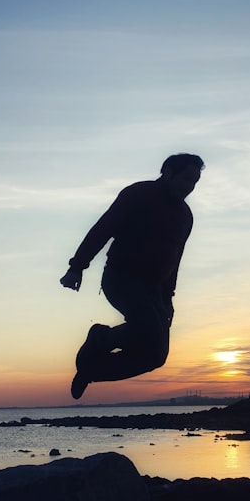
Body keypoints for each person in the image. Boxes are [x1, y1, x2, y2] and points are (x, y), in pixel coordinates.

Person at [59, 153, 204, 399]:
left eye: (195, 182)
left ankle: (91, 371)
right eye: (186, 178)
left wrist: (168, 299)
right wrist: (77, 266)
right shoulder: (138, 194)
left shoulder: (185, 216)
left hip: (155, 291)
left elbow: (174, 260)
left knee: (156, 355)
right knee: (147, 330)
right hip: (121, 278)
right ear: (168, 172)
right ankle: (99, 338)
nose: (190, 186)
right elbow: (103, 228)